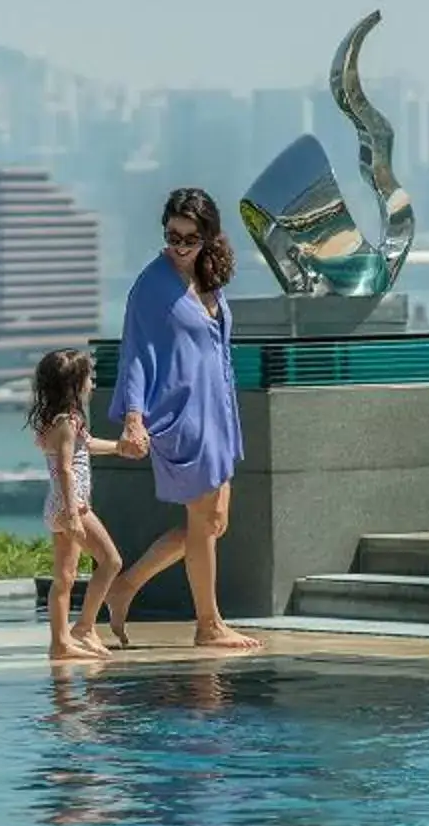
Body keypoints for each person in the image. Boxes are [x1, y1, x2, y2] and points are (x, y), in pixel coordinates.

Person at [79, 186, 262, 652]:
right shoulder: (152, 285)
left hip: (218, 411)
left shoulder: (208, 275)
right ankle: (209, 624)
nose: (179, 246)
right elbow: (136, 353)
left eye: (190, 237)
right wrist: (133, 419)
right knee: (203, 521)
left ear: (209, 237)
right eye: (172, 236)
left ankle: (128, 584)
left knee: (214, 522)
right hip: (182, 415)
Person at [26, 347, 144, 664]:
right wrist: (74, 515)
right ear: (74, 385)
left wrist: (120, 448)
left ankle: (60, 642)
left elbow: (86, 446)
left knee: (64, 578)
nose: (92, 384)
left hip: (58, 506)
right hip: (72, 506)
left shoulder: (58, 420)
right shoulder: (68, 421)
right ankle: (85, 627)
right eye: (89, 378)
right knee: (112, 561)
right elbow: (66, 467)